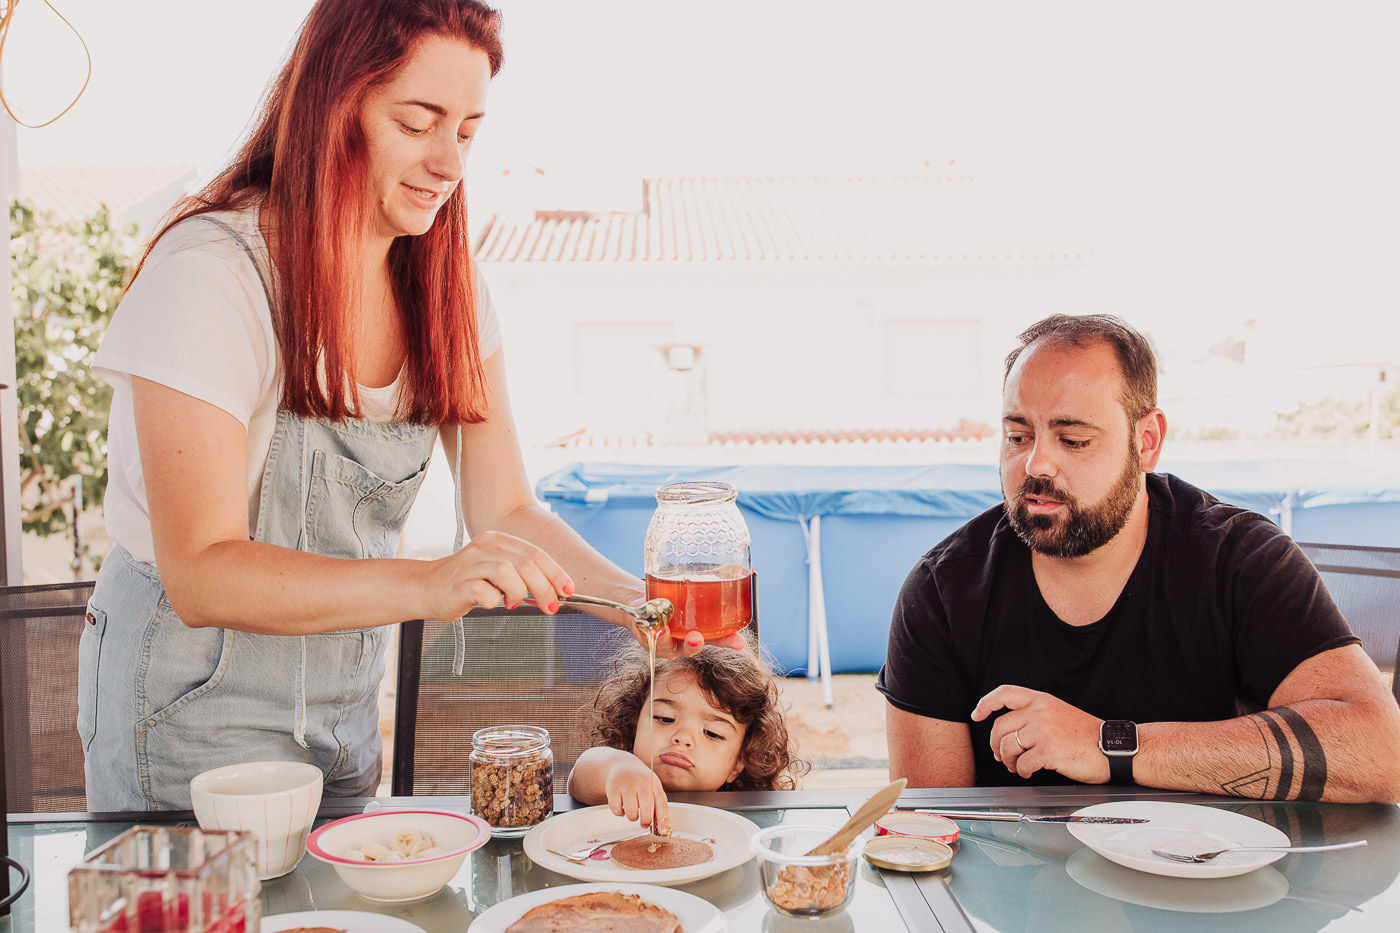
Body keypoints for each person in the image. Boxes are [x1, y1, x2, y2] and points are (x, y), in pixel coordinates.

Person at [81, 0, 737, 812]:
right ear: (332, 106)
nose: (449, 162)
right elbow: (202, 570)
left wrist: (646, 614)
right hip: (186, 722)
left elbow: (506, 506)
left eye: (465, 131)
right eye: (418, 122)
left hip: (337, 724)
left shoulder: (445, 286)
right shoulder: (212, 274)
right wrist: (433, 582)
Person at [878, 313, 1400, 803]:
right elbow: (928, 825)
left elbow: (1382, 752)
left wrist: (1111, 745)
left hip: (1212, 883)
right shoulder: (944, 590)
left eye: (1073, 439)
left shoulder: (1239, 558)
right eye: (1018, 436)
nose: (1036, 464)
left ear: (1146, 441)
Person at [568, 642, 807, 833]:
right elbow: (578, 780)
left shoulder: (740, 826)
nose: (682, 738)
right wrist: (616, 768)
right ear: (633, 722)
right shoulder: (619, 782)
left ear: (739, 762)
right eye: (664, 718)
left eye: (712, 733)